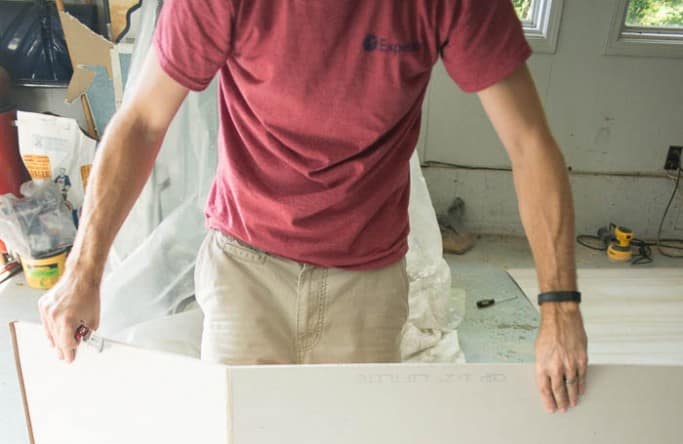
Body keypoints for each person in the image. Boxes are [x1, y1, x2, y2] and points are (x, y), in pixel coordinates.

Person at [39, 0, 588, 413]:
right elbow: (140, 123)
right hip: (245, 268)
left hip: (367, 276)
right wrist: (83, 274)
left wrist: (560, 309)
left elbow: (530, 143)